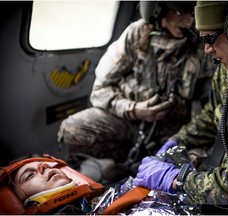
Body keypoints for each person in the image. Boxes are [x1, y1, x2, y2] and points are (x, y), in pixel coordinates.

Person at [133, 1, 228, 214]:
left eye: (209, 39)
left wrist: (180, 181)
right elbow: (213, 115)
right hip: (227, 183)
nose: (206, 50)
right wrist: (178, 141)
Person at [57, 0, 215, 180]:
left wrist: (195, 150)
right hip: (129, 125)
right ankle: (123, 163)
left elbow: (210, 109)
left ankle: (139, 167)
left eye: (192, 12)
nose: (190, 20)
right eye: (179, 12)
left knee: (196, 167)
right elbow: (100, 90)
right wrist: (133, 110)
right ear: (157, 9)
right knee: (73, 129)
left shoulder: (204, 46)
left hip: (174, 134)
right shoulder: (136, 34)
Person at [0, 154, 199, 215]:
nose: (43, 168)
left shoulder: (98, 202)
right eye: (29, 176)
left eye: (43, 164)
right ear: (21, 202)